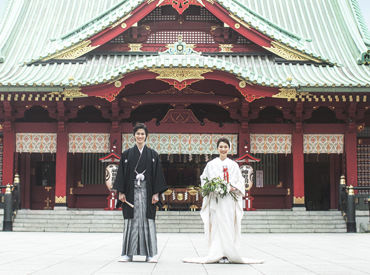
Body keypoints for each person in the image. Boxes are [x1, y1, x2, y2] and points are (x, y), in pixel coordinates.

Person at [183, 138, 263, 264]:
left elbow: (240, 181)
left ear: (229, 148)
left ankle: (228, 253)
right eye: (221, 146)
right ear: (217, 148)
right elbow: (204, 178)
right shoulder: (211, 164)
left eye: (225, 146)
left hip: (229, 200)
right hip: (216, 200)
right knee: (216, 225)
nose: (223, 149)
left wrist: (233, 187)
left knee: (228, 225)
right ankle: (217, 253)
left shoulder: (233, 165)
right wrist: (212, 187)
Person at [113, 123, 167, 263]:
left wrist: (156, 194)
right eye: (138, 134)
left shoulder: (153, 155)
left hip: (148, 192)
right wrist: (121, 192)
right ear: (134, 136)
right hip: (131, 192)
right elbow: (121, 175)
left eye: (143, 134)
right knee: (131, 221)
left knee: (147, 221)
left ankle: (150, 254)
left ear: (146, 136)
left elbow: (157, 176)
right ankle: (127, 253)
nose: (140, 136)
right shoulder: (126, 154)